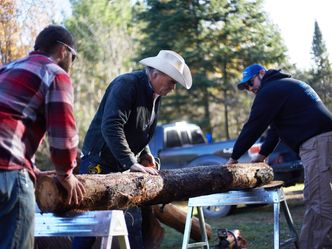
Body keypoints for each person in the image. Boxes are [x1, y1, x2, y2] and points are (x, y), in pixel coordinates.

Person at [72, 50, 192, 249]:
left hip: (123, 164)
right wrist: (132, 162)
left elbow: (139, 131)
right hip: (98, 161)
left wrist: (145, 155)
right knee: (90, 224)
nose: (173, 87)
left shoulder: (155, 94)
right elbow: (111, 126)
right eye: (172, 82)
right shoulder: (126, 84)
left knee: (132, 222)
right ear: (156, 74)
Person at [227, 64, 332, 249]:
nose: (251, 89)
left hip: (318, 143)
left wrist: (233, 158)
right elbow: (275, 130)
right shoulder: (285, 85)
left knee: (319, 202)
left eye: (250, 83)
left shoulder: (269, 90)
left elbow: (254, 126)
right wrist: (262, 155)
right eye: (247, 87)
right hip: (324, 140)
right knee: (319, 198)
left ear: (262, 74)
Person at [0, 25, 85, 249]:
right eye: (73, 58)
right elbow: (62, 133)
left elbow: (10, 122)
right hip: (7, 171)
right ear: (63, 51)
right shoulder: (55, 73)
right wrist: (66, 175)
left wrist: (33, 171)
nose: (71, 66)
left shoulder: (6, 68)